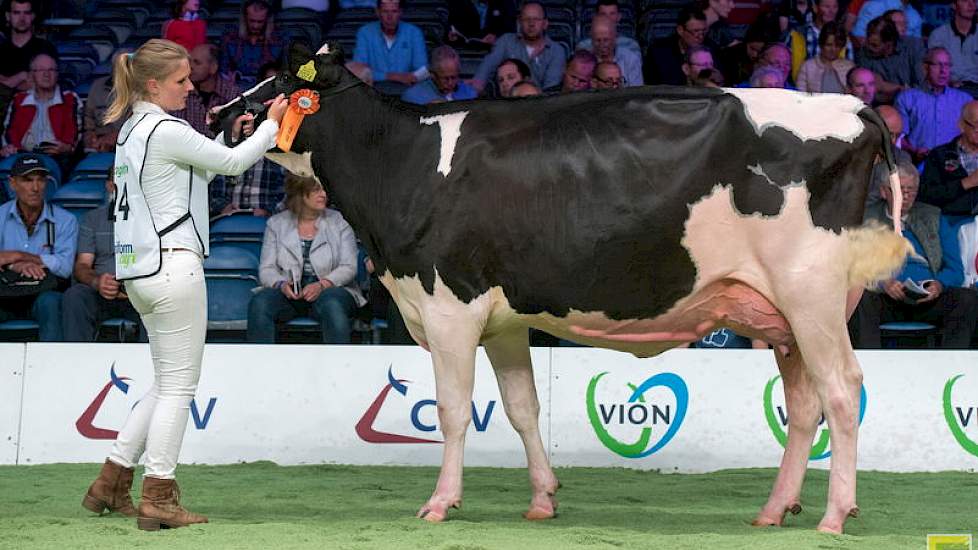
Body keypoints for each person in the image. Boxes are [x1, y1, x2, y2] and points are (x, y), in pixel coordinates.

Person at [81, 39, 287, 530]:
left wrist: (225, 133)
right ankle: (160, 495)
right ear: (153, 84)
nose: (190, 87)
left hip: (141, 273)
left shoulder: (134, 129)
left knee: (164, 382)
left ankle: (109, 481)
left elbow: (196, 168)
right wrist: (274, 124)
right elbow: (232, 166)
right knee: (179, 388)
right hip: (173, 267)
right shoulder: (166, 129)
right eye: (180, 81)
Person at [849, 161, 978, 348]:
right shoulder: (867, 219)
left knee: (967, 300)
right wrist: (881, 282)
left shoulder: (933, 216)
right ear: (884, 191)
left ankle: (951, 366)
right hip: (884, 298)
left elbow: (955, 269)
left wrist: (939, 285)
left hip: (927, 298)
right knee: (858, 298)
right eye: (900, 189)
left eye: (911, 189)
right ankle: (869, 367)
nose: (907, 195)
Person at [247, 174, 366, 344]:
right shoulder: (276, 224)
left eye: (325, 189)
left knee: (333, 304)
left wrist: (322, 284)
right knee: (260, 303)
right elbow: (267, 269)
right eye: (317, 190)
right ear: (300, 193)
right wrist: (281, 285)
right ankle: (261, 367)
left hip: (330, 291)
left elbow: (349, 267)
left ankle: (339, 366)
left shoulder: (340, 222)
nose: (324, 194)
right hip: (289, 294)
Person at [0, 153, 76, 341]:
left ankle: (53, 365)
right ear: (12, 183)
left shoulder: (66, 220)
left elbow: (65, 268)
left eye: (40, 180)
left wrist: (17, 256)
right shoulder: (0, 216)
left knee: (51, 302)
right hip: (4, 291)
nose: (35, 188)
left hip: (42, 293)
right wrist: (14, 266)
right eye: (27, 180)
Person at [62, 169, 144, 342]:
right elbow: (82, 265)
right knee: (74, 296)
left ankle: (153, 366)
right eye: (120, 181)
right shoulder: (93, 218)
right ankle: (75, 360)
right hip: (101, 292)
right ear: (109, 186)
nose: (126, 187)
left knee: (160, 298)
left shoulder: (150, 220)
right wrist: (98, 282)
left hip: (140, 294)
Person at [1, 54, 82, 167]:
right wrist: (11, 147)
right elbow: (9, 130)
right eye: (41, 70)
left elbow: (73, 133)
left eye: (51, 70)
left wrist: (67, 147)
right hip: (22, 156)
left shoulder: (70, 99)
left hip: (56, 157)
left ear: (57, 74)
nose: (46, 74)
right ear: (32, 75)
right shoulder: (19, 99)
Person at [895, 48, 972, 162]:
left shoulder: (964, 100)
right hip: (918, 165)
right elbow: (897, 138)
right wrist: (913, 150)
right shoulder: (906, 98)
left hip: (955, 165)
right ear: (925, 68)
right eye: (938, 65)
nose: (943, 70)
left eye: (947, 65)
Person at [471, 1, 566, 93]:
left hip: (538, 106)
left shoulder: (556, 51)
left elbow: (550, 92)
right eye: (526, 19)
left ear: (545, 24)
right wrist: (476, 87)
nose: (531, 24)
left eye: (536, 19)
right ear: (519, 22)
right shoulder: (506, 41)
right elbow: (484, 71)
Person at [0, 0, 57, 134]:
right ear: (8, 16)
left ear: (33, 16)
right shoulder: (1, 50)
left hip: (35, 113)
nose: (22, 18)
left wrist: (6, 83)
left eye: (26, 13)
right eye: (16, 13)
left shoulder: (45, 48)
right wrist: (21, 76)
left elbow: (45, 84)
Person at [353, 0, 428, 94]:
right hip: (373, 90)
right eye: (385, 11)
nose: (390, 17)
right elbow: (358, 70)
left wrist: (412, 78)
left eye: (394, 11)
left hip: (408, 90)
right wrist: (392, 76)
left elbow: (422, 69)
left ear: (400, 12)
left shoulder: (414, 33)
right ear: (378, 12)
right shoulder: (365, 33)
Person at [918, 101, 978, 216]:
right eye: (977, 126)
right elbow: (926, 195)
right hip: (949, 220)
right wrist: (965, 183)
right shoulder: (939, 155)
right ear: (962, 125)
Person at [172, 44, 240, 137]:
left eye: (197, 63)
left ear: (213, 67)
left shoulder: (232, 94)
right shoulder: (182, 92)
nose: (191, 67)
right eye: (190, 62)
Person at [855, 16, 923, 104]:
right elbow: (876, 89)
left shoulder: (913, 47)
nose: (869, 48)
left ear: (889, 44)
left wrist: (892, 88)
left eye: (875, 45)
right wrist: (901, 89)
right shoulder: (864, 53)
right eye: (868, 42)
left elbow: (922, 85)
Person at [220, 0, 287, 81]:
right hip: (236, 85)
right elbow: (224, 66)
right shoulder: (230, 36)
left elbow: (286, 66)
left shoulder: (280, 37)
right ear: (245, 18)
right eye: (252, 21)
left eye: (260, 22)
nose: (255, 26)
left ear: (267, 19)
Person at [644, 6, 709, 86]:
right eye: (695, 31)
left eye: (703, 31)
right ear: (680, 30)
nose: (700, 37)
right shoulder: (659, 53)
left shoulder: (710, 47)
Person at [927, 0, 978, 99]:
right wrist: (949, 82)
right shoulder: (938, 35)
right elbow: (933, 70)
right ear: (954, 5)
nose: (971, 4)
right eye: (965, 0)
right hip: (950, 89)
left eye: (974, 0)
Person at [83, 51, 131, 154]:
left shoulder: (144, 92)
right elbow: (88, 120)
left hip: (130, 149)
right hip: (99, 149)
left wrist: (116, 136)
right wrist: (90, 137)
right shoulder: (97, 87)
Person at [578, 14, 642, 87]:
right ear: (591, 39)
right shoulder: (583, 61)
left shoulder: (631, 59)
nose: (602, 45)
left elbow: (637, 92)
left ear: (615, 37)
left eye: (606, 40)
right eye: (598, 40)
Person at [401, 46, 478, 104]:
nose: (450, 83)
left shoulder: (469, 93)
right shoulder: (412, 97)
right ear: (432, 75)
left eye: (454, 77)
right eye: (445, 79)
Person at [796, 22, 854, 93]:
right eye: (829, 45)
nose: (833, 49)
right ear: (821, 44)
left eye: (837, 45)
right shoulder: (807, 66)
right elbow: (800, 95)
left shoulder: (849, 67)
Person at [577, 0, 641, 56]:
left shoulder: (630, 45)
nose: (608, 18)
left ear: (619, 17)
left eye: (612, 14)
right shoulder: (583, 46)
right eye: (603, 14)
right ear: (595, 16)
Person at [446, 0, 517, 51]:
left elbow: (511, 32)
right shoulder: (457, 2)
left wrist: (497, 37)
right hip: (465, 51)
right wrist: (451, 35)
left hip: (496, 51)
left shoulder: (506, 3)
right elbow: (452, 26)